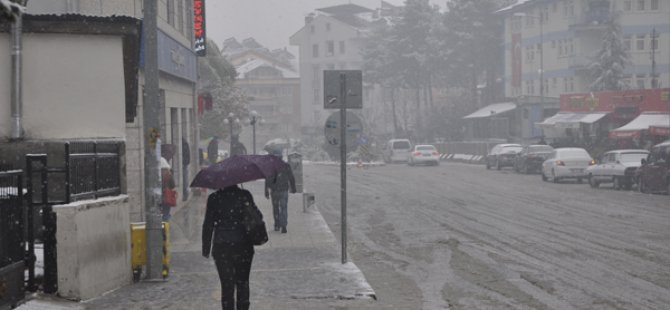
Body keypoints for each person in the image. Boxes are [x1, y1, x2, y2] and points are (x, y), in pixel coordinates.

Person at [202, 184, 258, 310]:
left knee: (227, 285)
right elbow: (256, 217)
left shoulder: (214, 198)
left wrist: (206, 247)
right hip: (243, 245)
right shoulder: (245, 195)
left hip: (222, 246)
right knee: (242, 283)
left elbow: (208, 224)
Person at [265, 151, 296, 233]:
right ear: (282, 157)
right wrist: (293, 188)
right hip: (284, 190)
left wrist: (266, 191)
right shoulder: (286, 166)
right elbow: (291, 177)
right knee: (284, 208)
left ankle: (277, 225)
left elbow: (267, 180)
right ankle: (284, 225)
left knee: (275, 208)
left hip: (274, 191)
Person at [160, 157, 176, 221]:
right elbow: (173, 185)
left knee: (160, 213)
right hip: (167, 198)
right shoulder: (169, 174)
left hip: (160, 197)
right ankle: (166, 227)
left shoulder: (158, 175)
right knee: (166, 213)